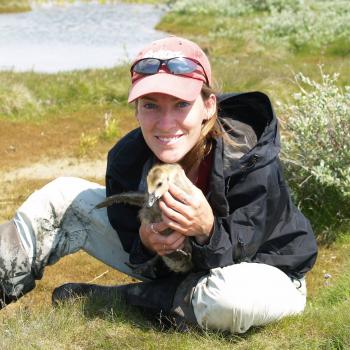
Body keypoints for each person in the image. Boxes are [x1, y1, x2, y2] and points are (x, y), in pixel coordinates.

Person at [0, 36, 317, 334]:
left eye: (181, 104)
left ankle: (124, 300)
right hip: (180, 273)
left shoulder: (250, 154)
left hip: (264, 274)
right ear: (136, 109)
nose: (166, 124)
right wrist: (146, 244)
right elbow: (136, 247)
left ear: (209, 105)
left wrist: (207, 230)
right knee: (60, 196)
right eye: (151, 105)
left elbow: (246, 253)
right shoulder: (127, 159)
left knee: (229, 301)